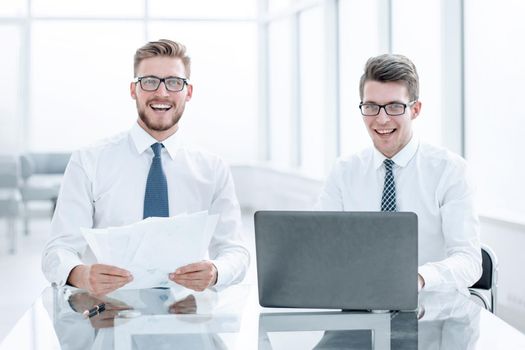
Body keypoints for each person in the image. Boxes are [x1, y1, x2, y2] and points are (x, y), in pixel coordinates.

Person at [42, 39, 249, 295]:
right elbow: (57, 251)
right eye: (150, 81)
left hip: (188, 313)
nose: (161, 93)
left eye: (174, 82)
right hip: (109, 315)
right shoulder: (89, 161)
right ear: (133, 90)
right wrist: (80, 274)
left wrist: (216, 271)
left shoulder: (212, 168)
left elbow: (236, 252)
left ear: (189, 92)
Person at [318, 54, 481, 293]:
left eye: (395, 106)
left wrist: (418, 278)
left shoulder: (450, 170)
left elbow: (469, 260)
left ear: (415, 109)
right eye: (371, 106)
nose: (382, 119)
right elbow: (319, 245)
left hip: (432, 311)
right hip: (358, 306)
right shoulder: (344, 172)